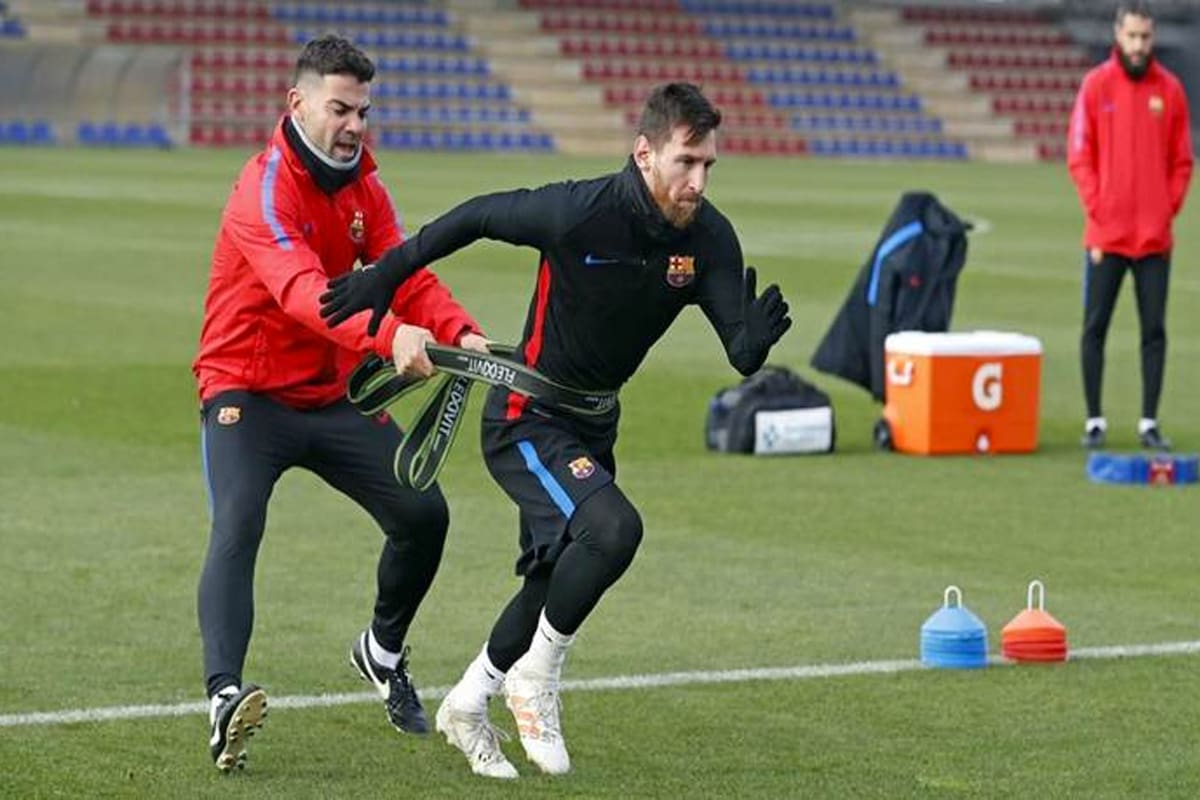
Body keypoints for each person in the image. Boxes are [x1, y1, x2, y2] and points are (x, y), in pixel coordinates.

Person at [320, 82, 791, 779]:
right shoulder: (581, 212)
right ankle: (535, 681)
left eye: (707, 166)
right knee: (614, 531)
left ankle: (468, 702)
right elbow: (479, 215)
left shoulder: (709, 238)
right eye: (686, 162)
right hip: (527, 418)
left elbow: (734, 336)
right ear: (644, 154)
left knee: (553, 582)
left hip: (595, 424)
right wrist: (384, 278)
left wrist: (748, 350)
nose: (698, 181)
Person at [192, 35, 488, 772]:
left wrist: (460, 331)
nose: (355, 124)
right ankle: (224, 697)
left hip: (328, 396)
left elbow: (405, 274)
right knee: (238, 522)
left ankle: (381, 652)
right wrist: (389, 338)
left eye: (363, 109)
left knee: (424, 515)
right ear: (297, 104)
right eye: (340, 108)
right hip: (247, 391)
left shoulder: (366, 187)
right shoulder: (263, 188)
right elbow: (301, 294)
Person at [1067, 0, 1192, 450]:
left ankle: (1147, 423)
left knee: (1153, 331)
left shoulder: (1171, 90)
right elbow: (1079, 155)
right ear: (1117, 35)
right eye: (1132, 36)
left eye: (1145, 37)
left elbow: (1182, 159)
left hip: (1154, 238)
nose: (1138, 45)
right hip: (1106, 235)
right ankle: (1094, 421)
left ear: (1152, 38)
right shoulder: (1096, 86)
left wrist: (1166, 208)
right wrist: (1100, 207)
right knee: (1094, 328)